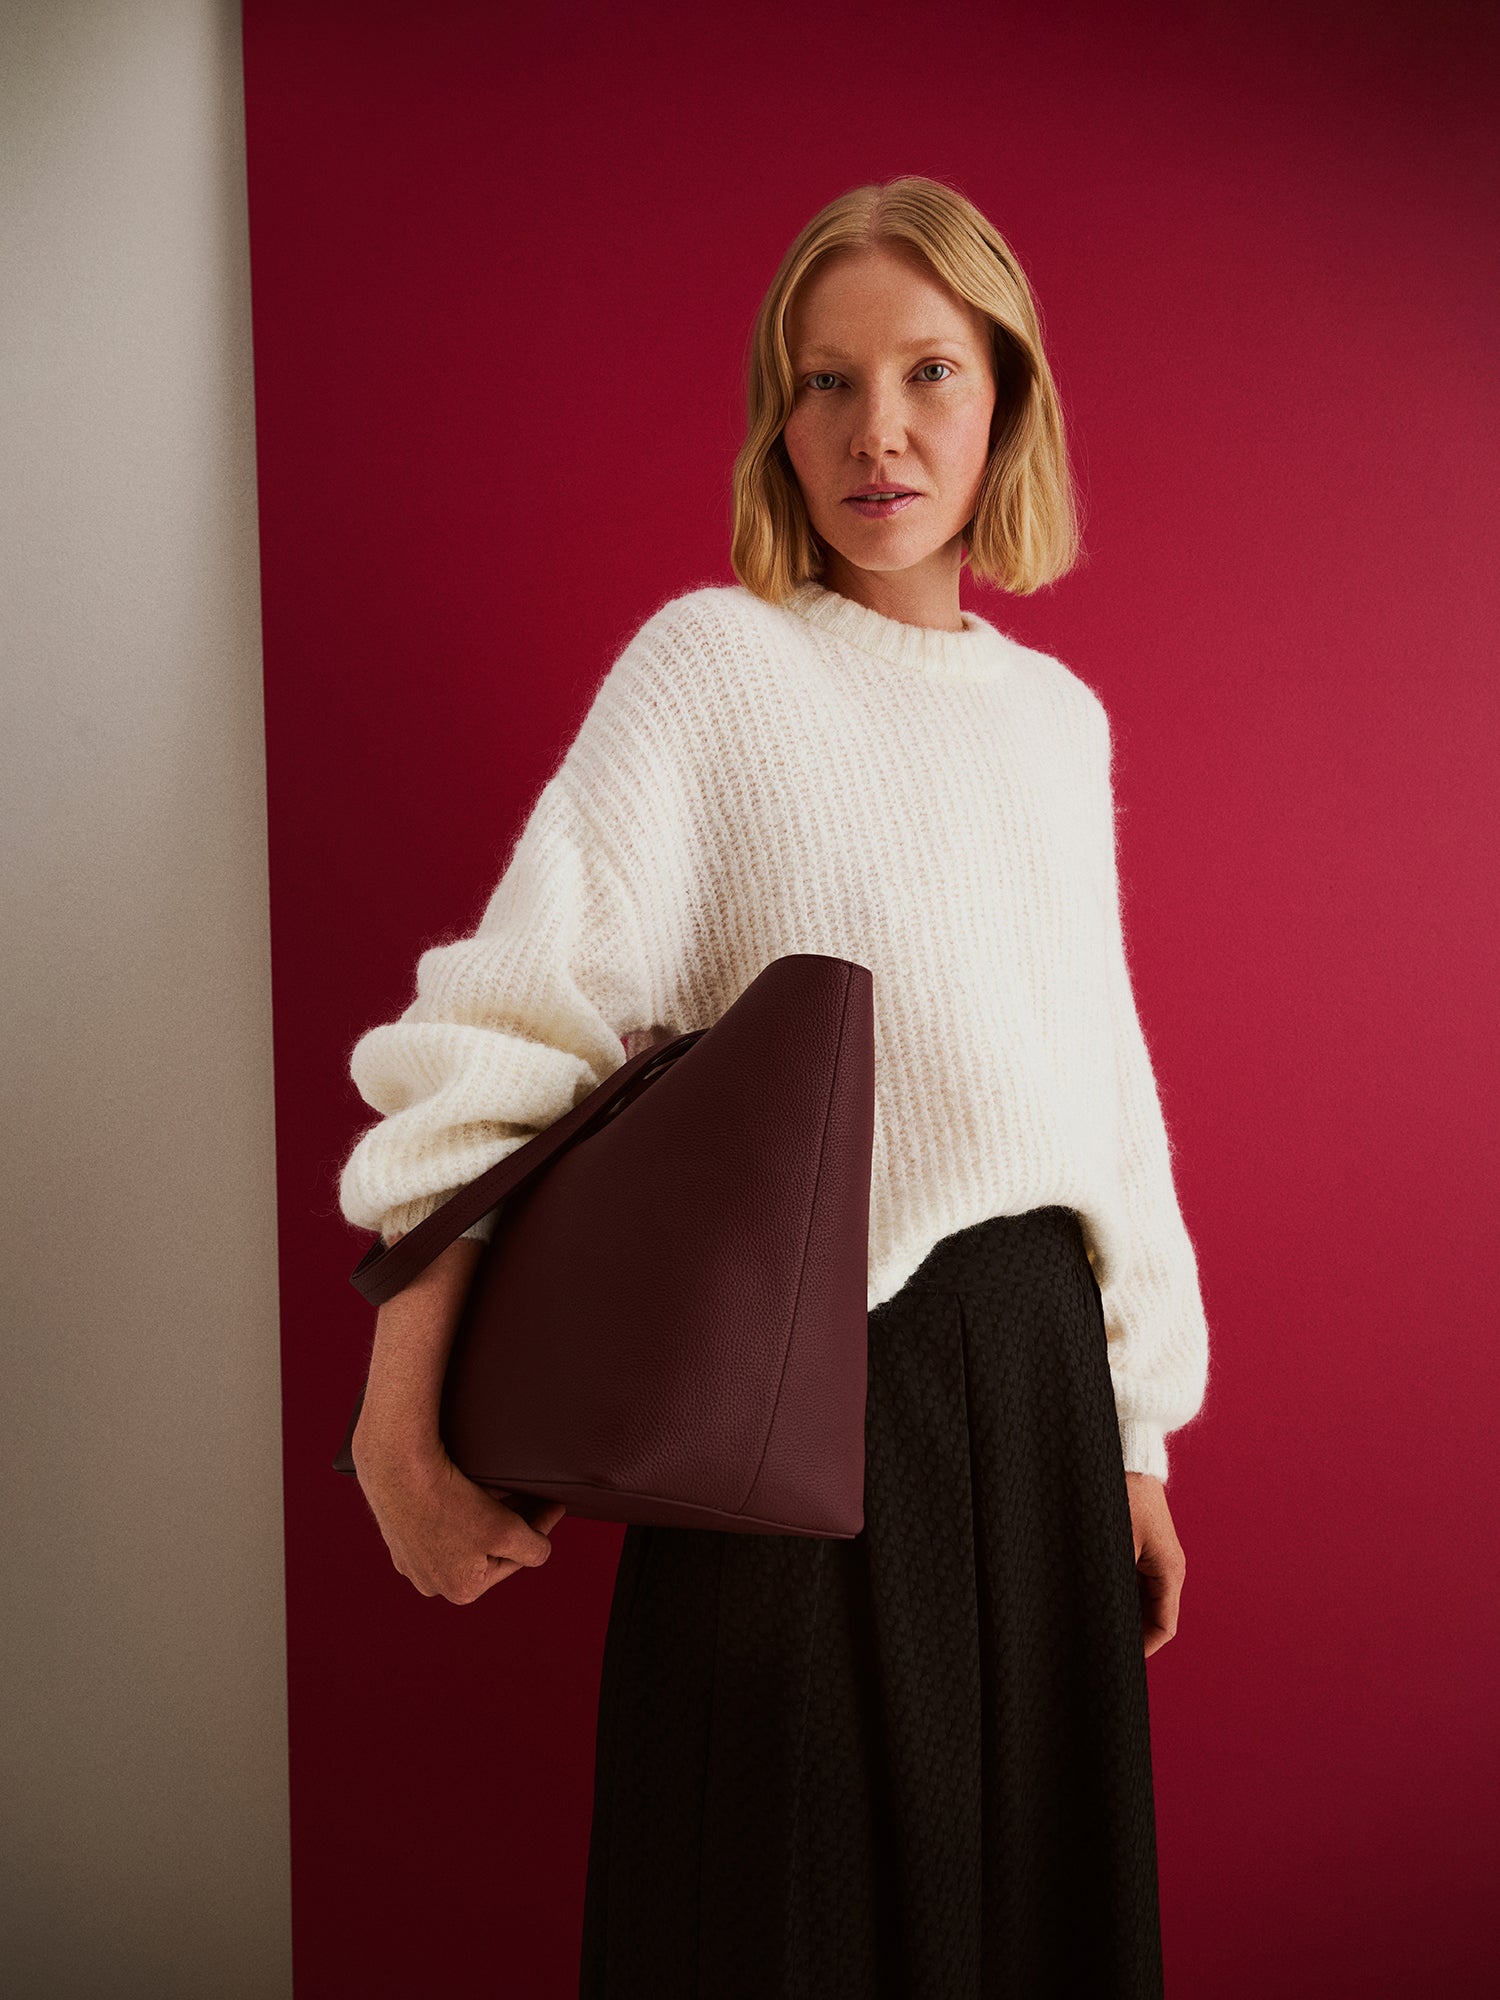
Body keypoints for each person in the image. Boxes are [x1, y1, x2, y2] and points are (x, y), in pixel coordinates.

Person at [338, 174, 1210, 2000]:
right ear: (776, 418)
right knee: (775, 1920)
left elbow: (1098, 1088)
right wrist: (393, 1420)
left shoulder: (1059, 725)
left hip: (1041, 1392)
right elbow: (512, 1029)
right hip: (804, 1400)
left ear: (1009, 402)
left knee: (1030, 1929)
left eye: (927, 372)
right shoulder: (713, 671)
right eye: (823, 382)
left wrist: (1136, 1439)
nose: (874, 429)